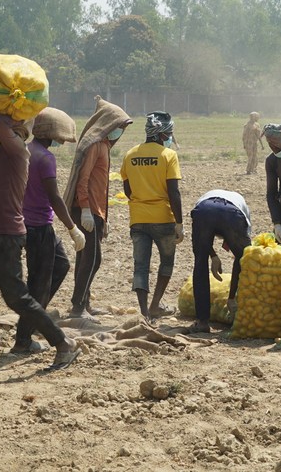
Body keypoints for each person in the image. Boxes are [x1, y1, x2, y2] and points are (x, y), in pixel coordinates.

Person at [0, 114, 80, 377]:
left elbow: (0, 126)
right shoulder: (1, 152)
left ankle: (63, 343)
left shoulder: (18, 151)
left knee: (17, 297)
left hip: (7, 237)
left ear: (18, 131)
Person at [12, 108, 87, 354]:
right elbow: (54, 197)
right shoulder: (45, 158)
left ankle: (36, 317)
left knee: (61, 265)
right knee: (38, 284)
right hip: (39, 227)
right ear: (53, 133)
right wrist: (73, 228)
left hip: (34, 223)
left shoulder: (27, 151)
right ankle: (23, 339)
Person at [62, 96, 132, 321]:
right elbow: (83, 180)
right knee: (92, 259)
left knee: (87, 258)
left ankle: (84, 303)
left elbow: (99, 185)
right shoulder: (95, 146)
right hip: (86, 209)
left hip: (95, 211)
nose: (120, 132)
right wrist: (84, 209)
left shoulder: (104, 146)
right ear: (109, 125)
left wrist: (103, 216)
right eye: (119, 127)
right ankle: (78, 307)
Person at [120, 111, 183, 322]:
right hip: (163, 218)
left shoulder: (130, 154)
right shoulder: (168, 156)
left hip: (137, 218)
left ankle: (144, 311)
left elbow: (127, 190)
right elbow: (173, 191)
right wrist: (180, 223)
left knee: (140, 266)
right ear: (162, 135)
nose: (171, 138)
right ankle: (156, 304)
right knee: (166, 263)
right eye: (170, 134)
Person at [187, 189, 252, 333]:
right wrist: (231, 297)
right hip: (232, 214)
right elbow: (241, 258)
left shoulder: (205, 197)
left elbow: (202, 240)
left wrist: (211, 255)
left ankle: (202, 321)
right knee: (245, 259)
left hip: (204, 210)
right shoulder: (241, 205)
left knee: (200, 263)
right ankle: (236, 306)